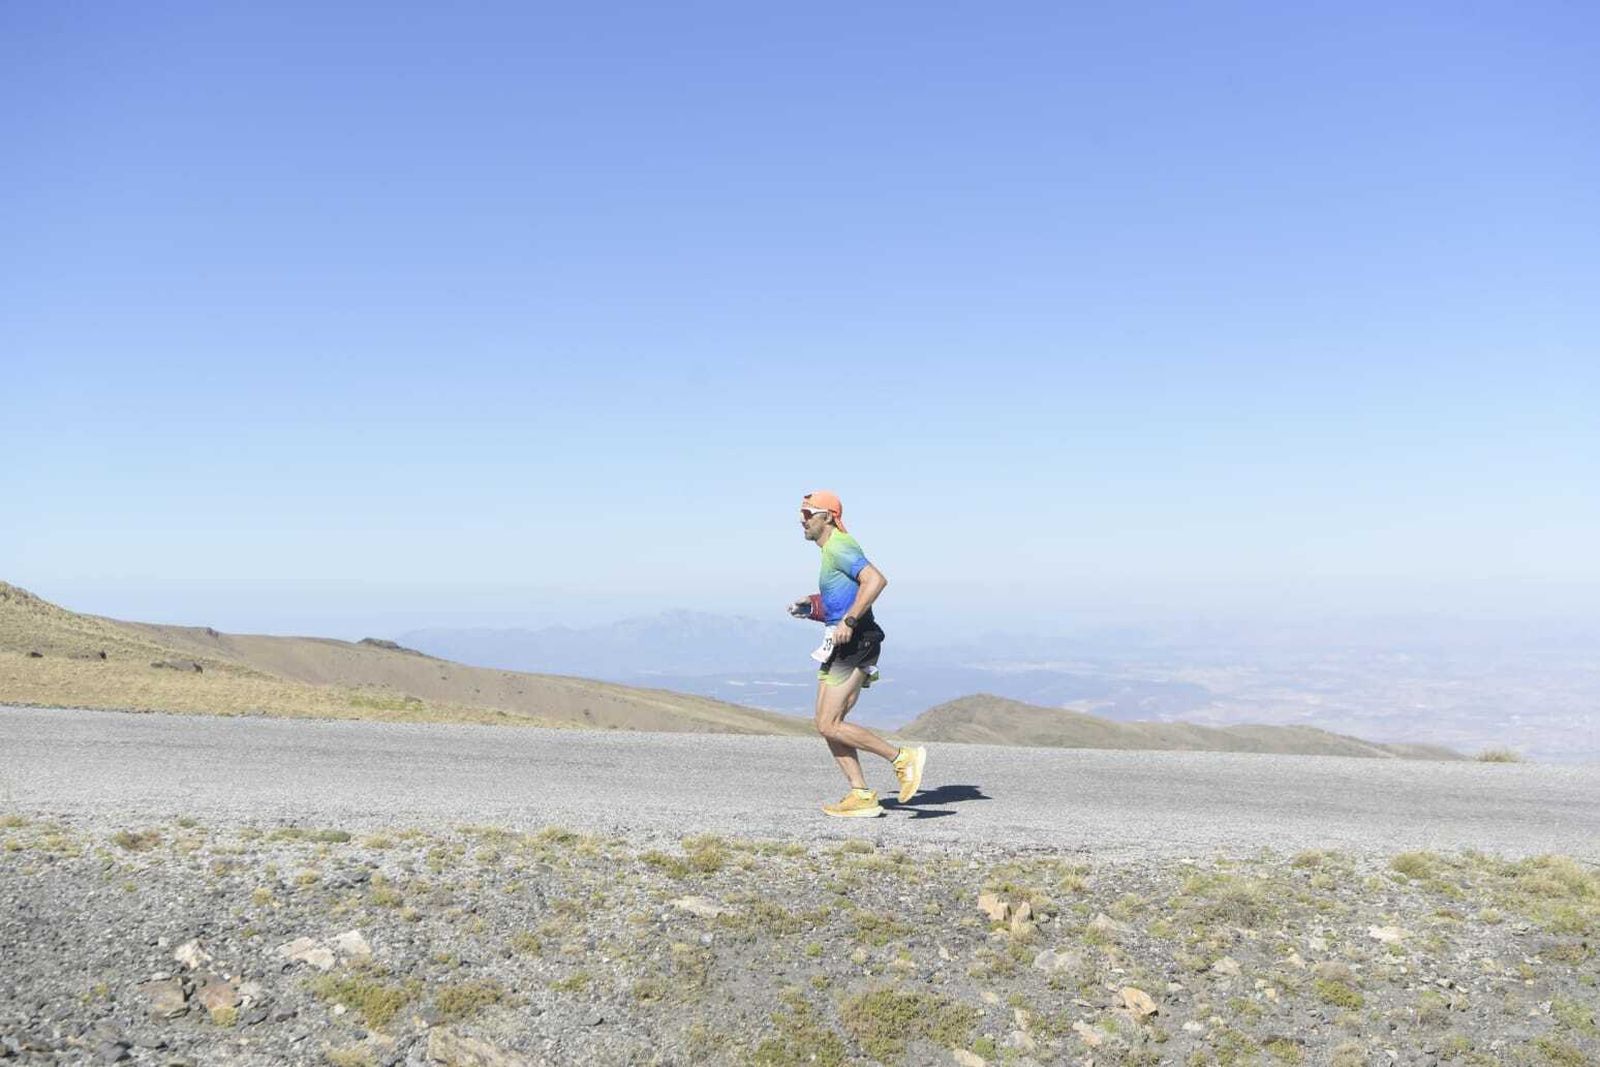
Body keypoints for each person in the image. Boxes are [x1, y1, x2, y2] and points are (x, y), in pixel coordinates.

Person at [789, 490, 926, 818]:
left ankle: (902, 758)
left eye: (808, 514)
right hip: (841, 643)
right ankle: (861, 794)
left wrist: (850, 621)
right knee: (825, 723)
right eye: (801, 514)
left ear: (828, 517)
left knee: (830, 722)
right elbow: (844, 597)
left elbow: (875, 581)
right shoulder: (829, 552)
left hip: (857, 641)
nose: (801, 520)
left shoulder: (840, 546)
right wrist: (813, 607)